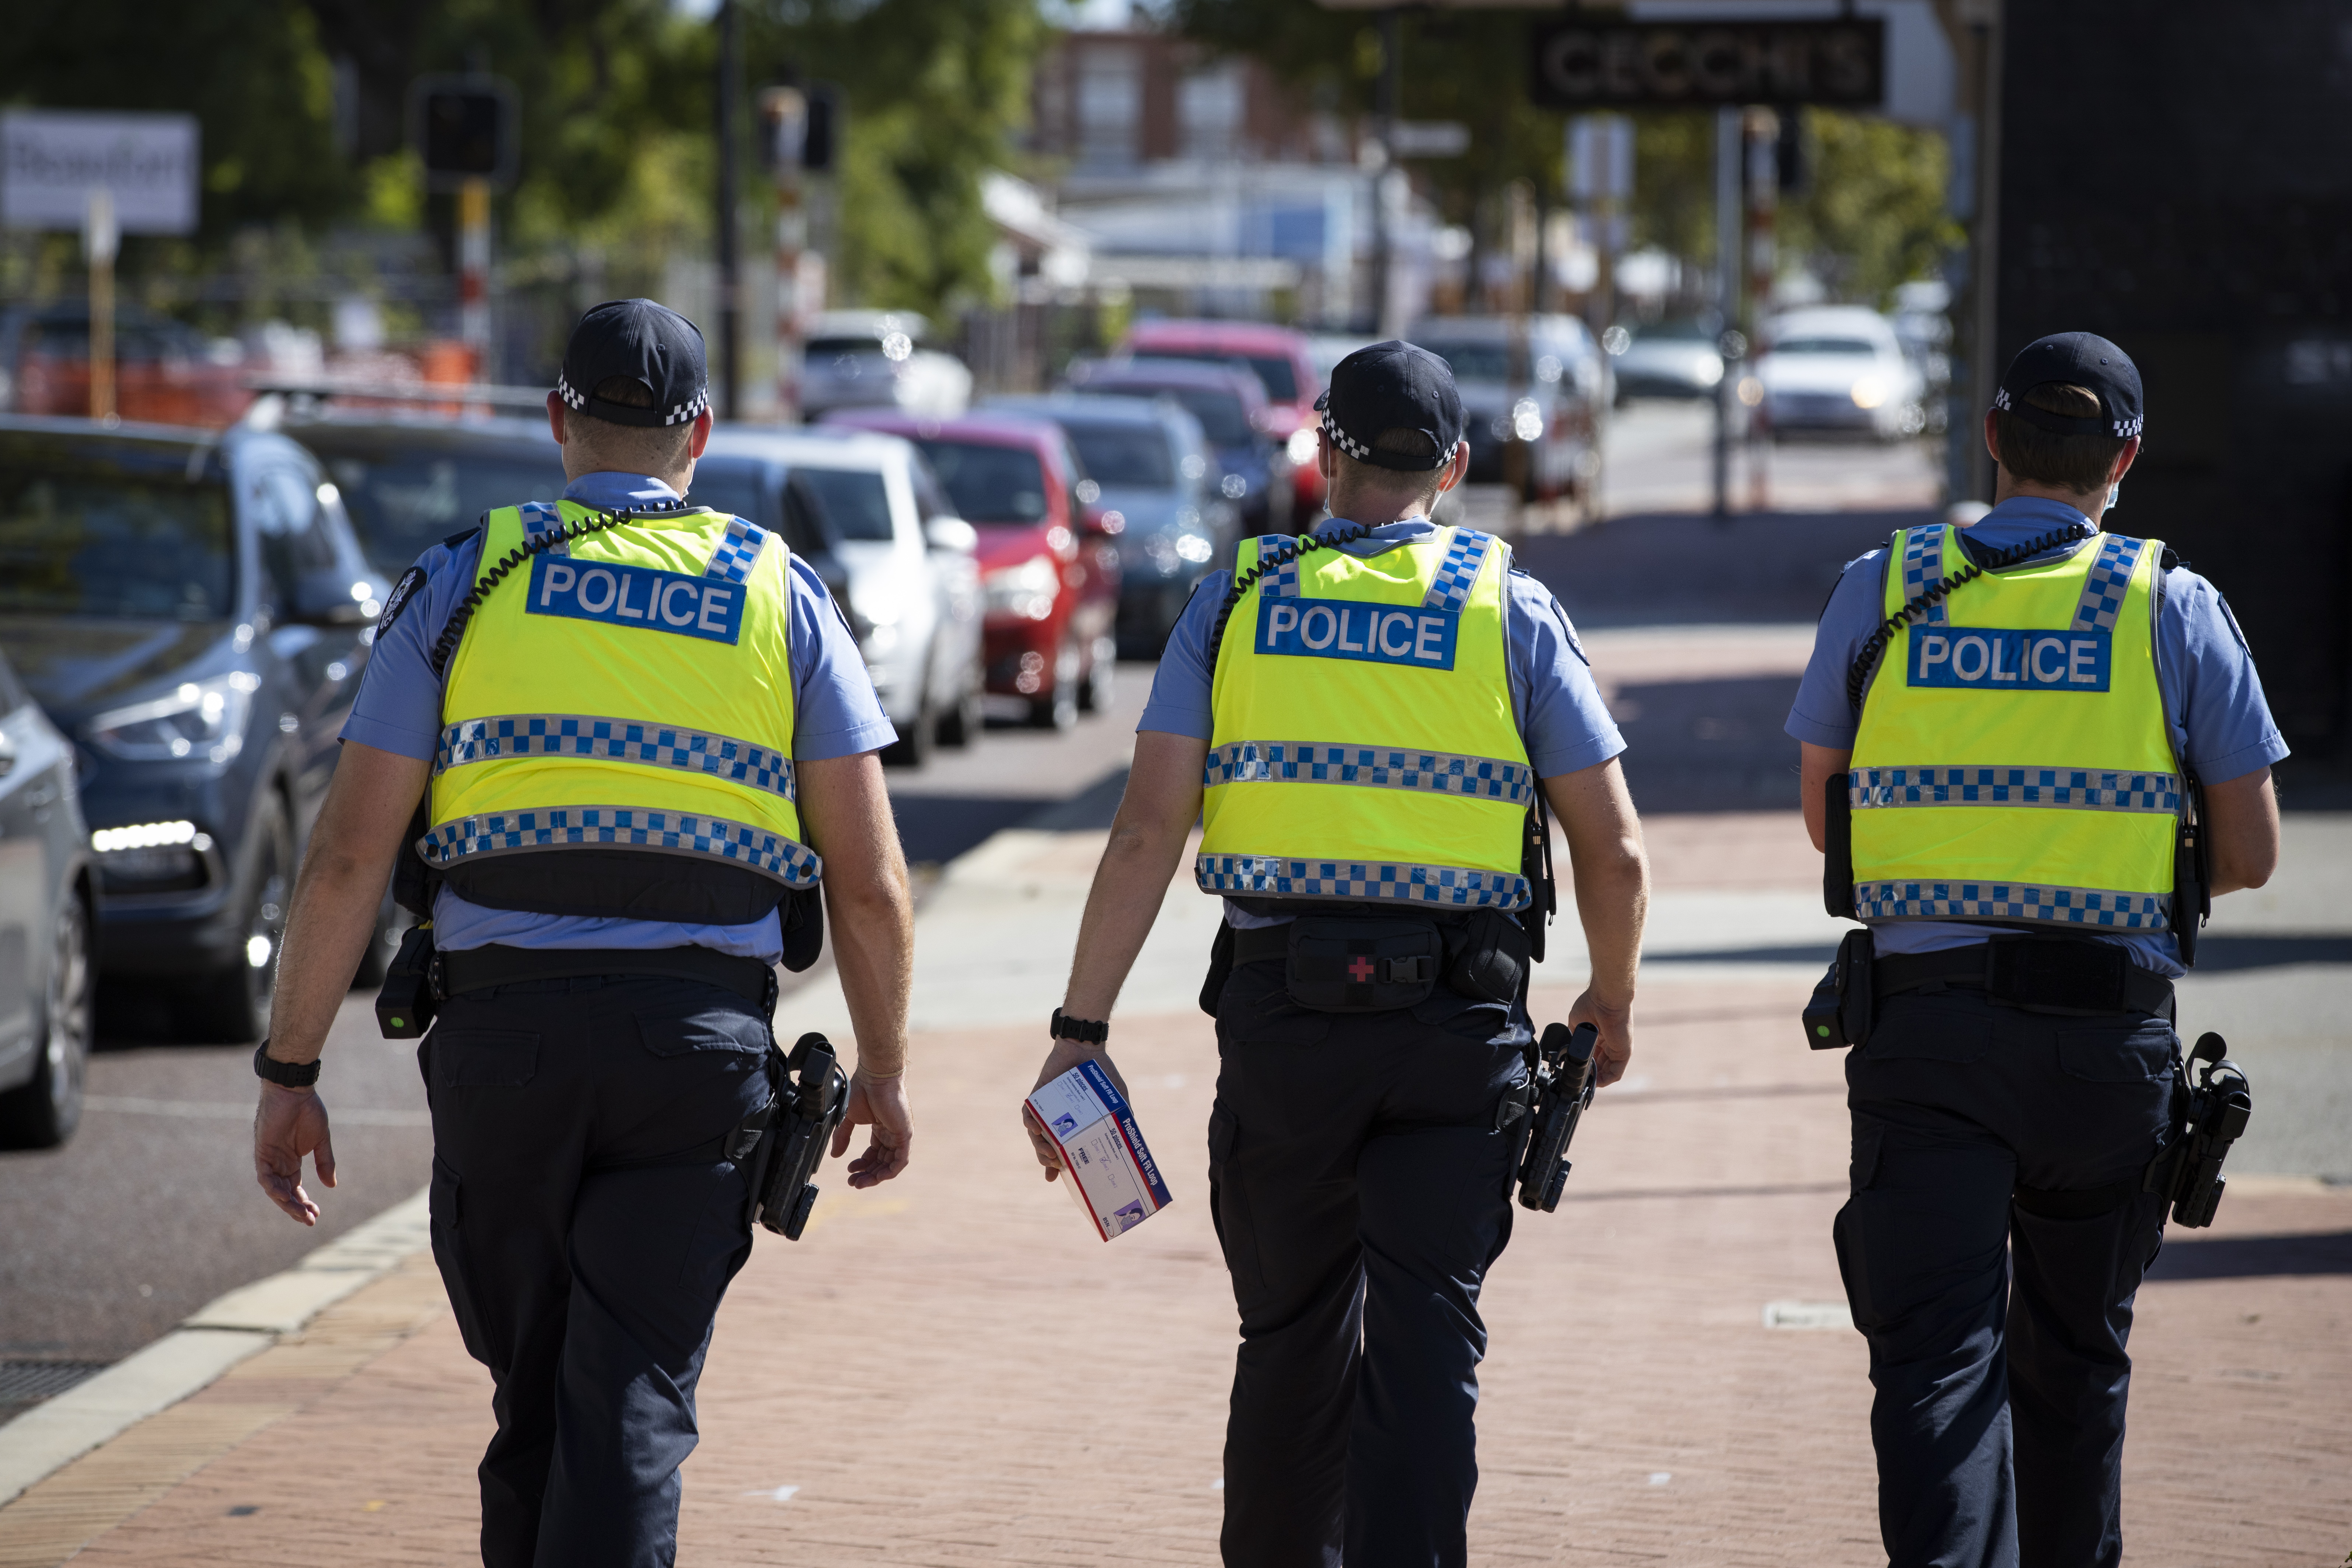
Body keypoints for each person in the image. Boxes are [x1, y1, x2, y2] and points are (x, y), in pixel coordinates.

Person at [250, 299, 915, 1567]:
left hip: (507, 1049)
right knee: (629, 1410)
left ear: (558, 420)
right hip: (698, 1055)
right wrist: (883, 1073)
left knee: (537, 1402)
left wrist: (291, 1071)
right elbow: (870, 876)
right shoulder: (780, 592)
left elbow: (347, 853)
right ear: (701, 435)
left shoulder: (465, 576)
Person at [1023, 342, 1651, 1567]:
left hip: (1285, 1031)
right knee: (1428, 1345)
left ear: (1321, 453)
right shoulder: (1508, 609)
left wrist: (1080, 1030)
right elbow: (1613, 850)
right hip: (1459, 1037)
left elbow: (1151, 827)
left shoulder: (1238, 600)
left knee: (1290, 1343)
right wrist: (1610, 1002)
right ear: (1457, 468)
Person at [1786, 332, 2285, 1568]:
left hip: (1929, 1035)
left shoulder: (1881, 586)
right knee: (2076, 1367)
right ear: (2124, 458)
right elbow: (2253, 852)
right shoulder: (2173, 603)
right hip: (2104, 1049)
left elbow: (1825, 817)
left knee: (1938, 1372)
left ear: (1995, 441)